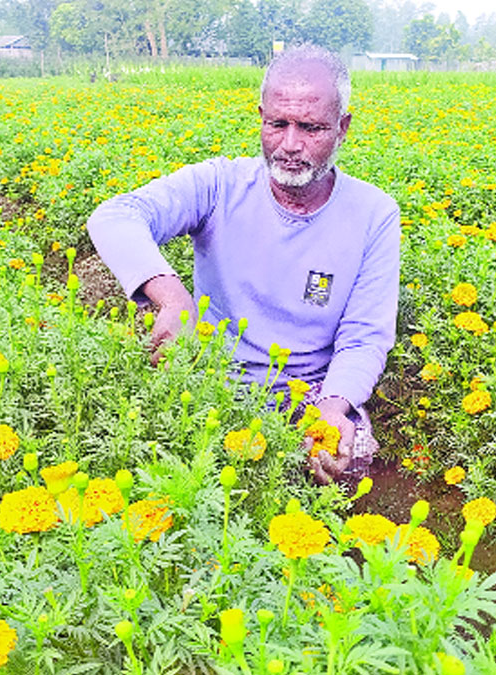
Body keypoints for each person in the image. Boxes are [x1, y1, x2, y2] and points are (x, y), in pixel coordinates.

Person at [86, 44, 400, 484]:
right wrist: (173, 298)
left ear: (343, 127)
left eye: (310, 128)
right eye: (277, 124)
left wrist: (332, 409)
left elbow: (365, 337)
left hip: (305, 391)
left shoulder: (373, 214)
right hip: (212, 377)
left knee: (344, 461)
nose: (290, 145)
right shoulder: (219, 185)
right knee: (150, 454)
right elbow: (115, 216)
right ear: (261, 117)